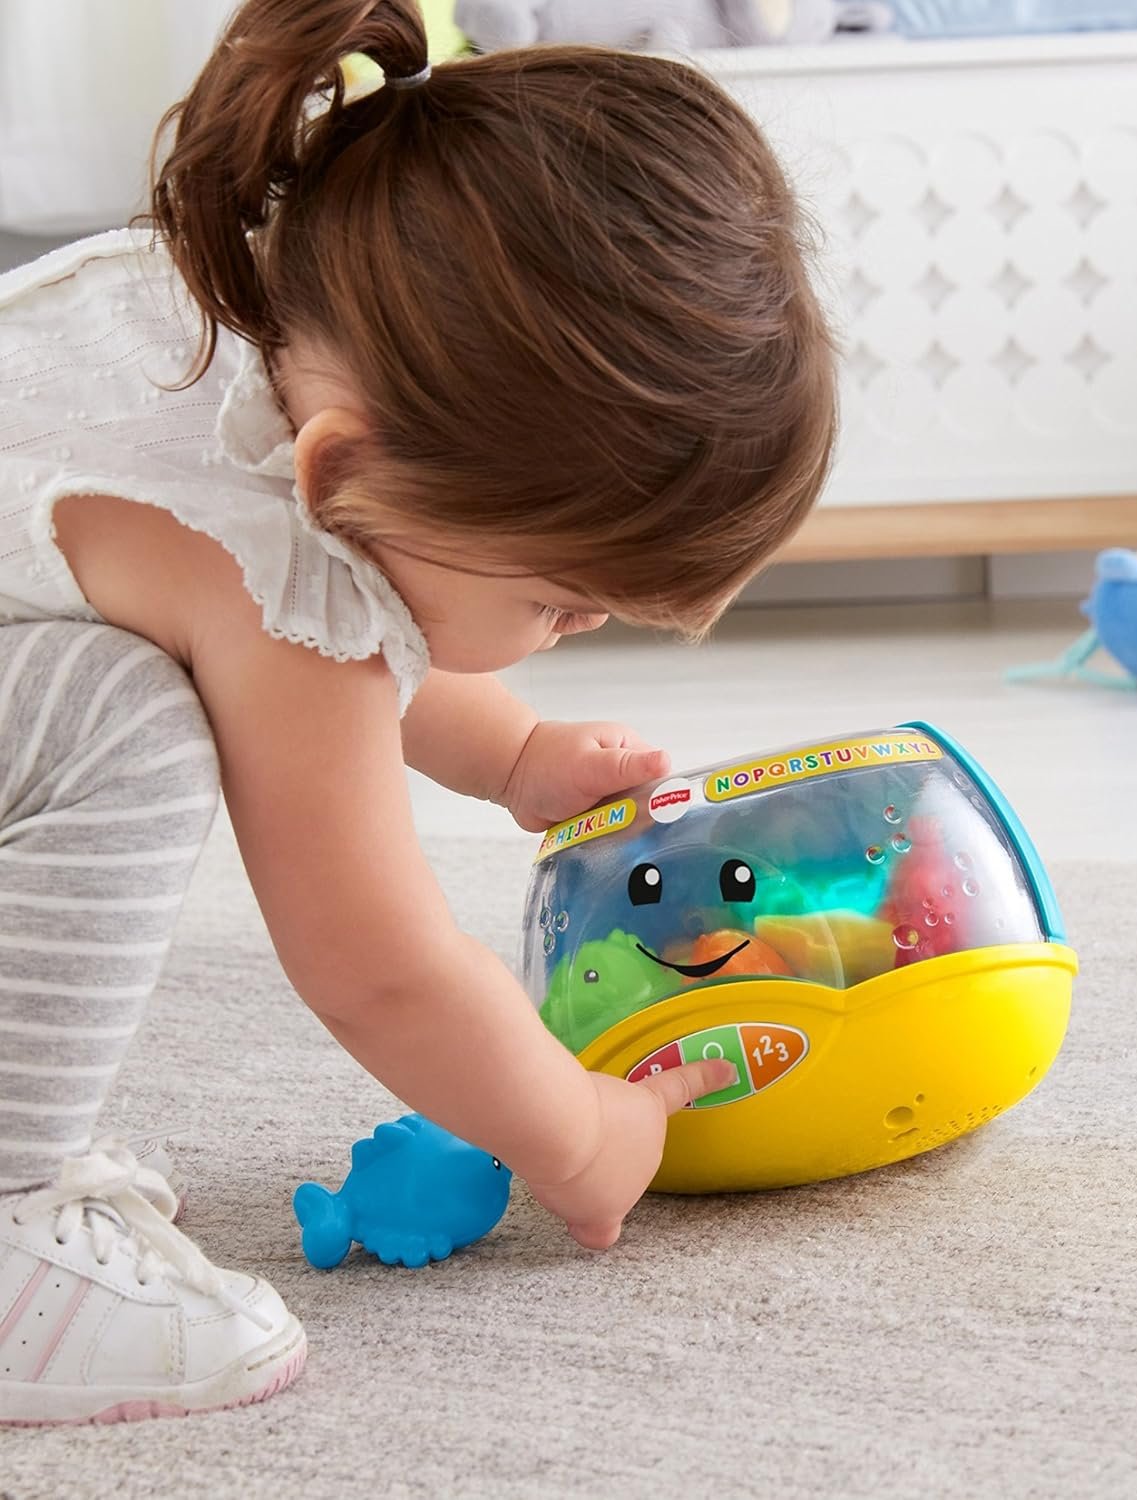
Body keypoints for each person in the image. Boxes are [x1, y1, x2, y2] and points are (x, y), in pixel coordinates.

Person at [0, 0, 834, 1424]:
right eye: (557, 604)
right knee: (119, 723)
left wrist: (507, 753)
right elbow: (377, 963)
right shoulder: (258, 544)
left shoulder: (257, 321)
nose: (571, 633)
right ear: (341, 477)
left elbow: (339, 626)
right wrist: (579, 1135)